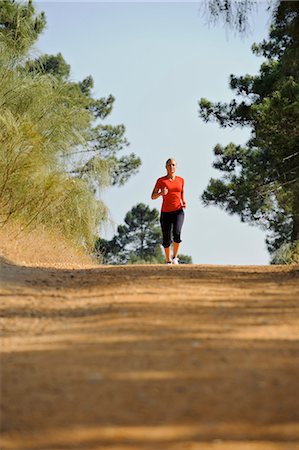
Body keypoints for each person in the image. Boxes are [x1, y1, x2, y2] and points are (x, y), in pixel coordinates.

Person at [151, 158, 186, 264]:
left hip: (178, 211)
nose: (172, 167)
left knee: (177, 232)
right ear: (166, 167)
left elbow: (182, 192)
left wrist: (183, 201)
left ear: (176, 167)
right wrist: (161, 193)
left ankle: (175, 257)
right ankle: (168, 260)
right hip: (166, 212)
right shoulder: (161, 181)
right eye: (169, 165)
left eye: (173, 165)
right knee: (166, 238)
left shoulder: (181, 180)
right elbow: (152, 196)